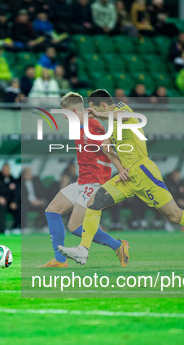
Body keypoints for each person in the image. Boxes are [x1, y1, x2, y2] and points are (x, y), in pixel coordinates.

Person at [58, 89, 184, 265]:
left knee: (174, 216)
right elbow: (108, 147)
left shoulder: (121, 108)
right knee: (94, 203)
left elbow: (124, 115)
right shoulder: (111, 126)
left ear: (103, 105)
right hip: (127, 177)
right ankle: (83, 250)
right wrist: (112, 154)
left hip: (144, 172)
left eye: (94, 110)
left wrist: (98, 115)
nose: (95, 116)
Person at [40, 92, 129, 268]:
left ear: (74, 111)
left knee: (74, 227)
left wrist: (121, 172)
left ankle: (119, 245)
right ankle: (60, 260)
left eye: (65, 114)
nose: (64, 118)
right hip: (83, 181)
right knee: (52, 210)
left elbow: (108, 149)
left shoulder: (92, 126)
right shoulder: (79, 126)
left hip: (95, 182)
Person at [0, 163, 20, 230]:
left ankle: (16, 227)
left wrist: (14, 201)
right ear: (1, 170)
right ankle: (2, 228)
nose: (6, 171)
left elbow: (16, 193)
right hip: (0, 202)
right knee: (0, 208)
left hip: (10, 201)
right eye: (4, 170)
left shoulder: (13, 180)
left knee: (19, 206)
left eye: (7, 170)